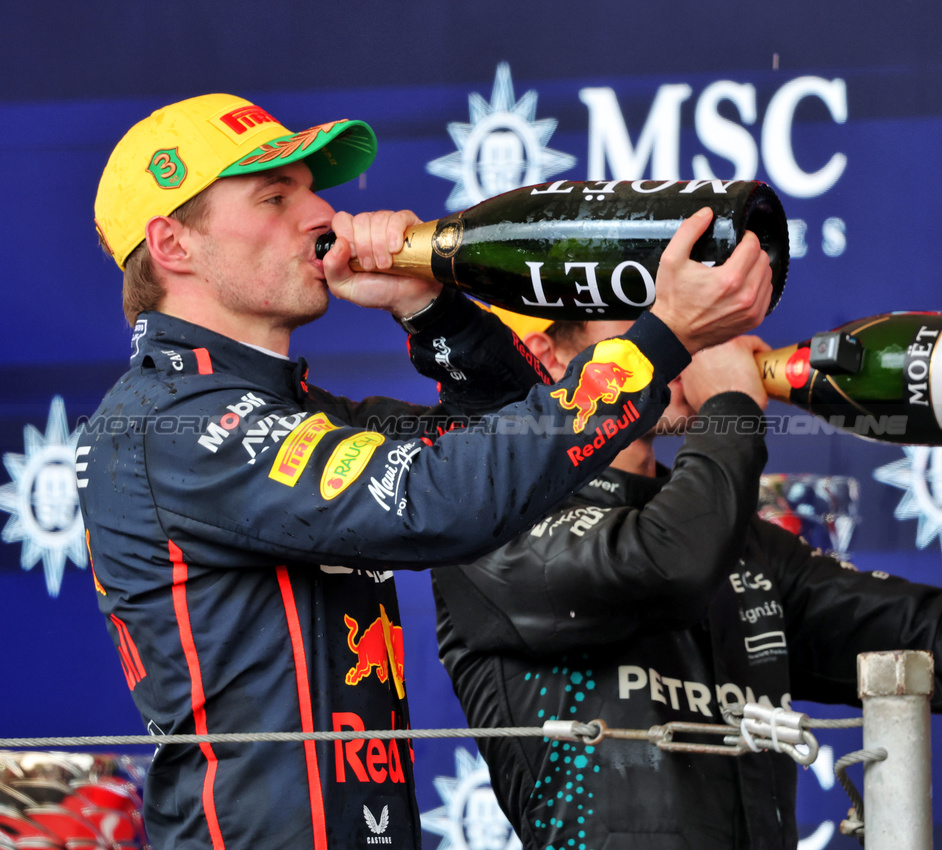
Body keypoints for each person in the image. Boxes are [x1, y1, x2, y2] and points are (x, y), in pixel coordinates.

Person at [77, 93, 773, 850]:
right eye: (276, 197)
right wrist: (661, 335)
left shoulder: (292, 410)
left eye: (314, 189)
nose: (322, 216)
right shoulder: (170, 423)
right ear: (173, 244)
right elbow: (435, 502)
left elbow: (508, 441)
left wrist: (429, 309)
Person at [432, 311, 942, 850]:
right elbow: (668, 564)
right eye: (649, 311)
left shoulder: (741, 544)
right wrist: (731, 412)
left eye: (689, 308)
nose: (687, 327)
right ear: (544, 355)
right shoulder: (483, 530)